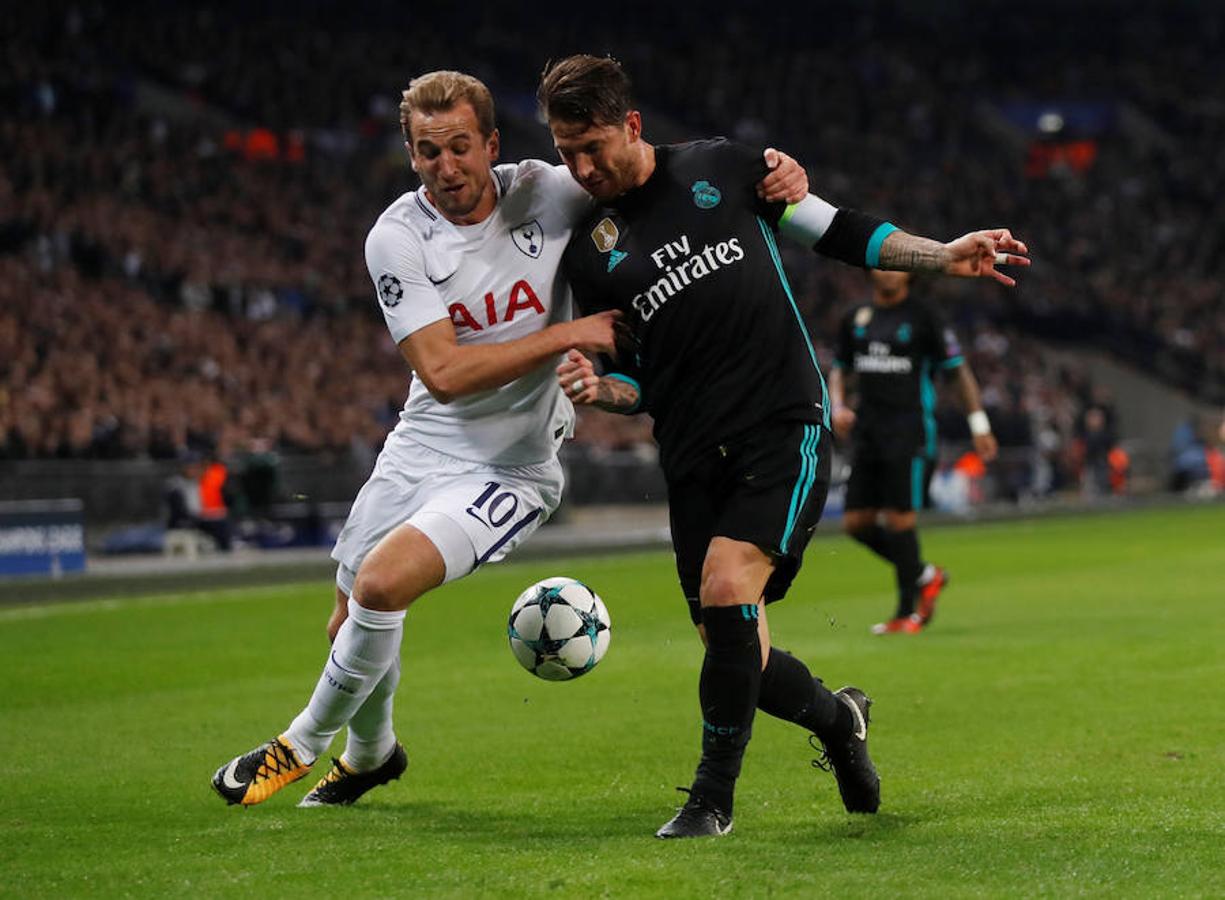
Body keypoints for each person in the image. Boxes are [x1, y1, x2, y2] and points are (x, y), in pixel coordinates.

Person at [211, 70, 807, 809]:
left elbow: (639, 157)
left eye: (460, 148)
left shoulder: (546, 191)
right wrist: (571, 332)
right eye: (427, 153)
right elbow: (444, 372)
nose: (445, 167)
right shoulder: (397, 237)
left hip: (512, 466)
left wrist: (767, 166)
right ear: (410, 154)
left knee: (380, 583)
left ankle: (298, 744)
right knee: (349, 621)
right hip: (421, 444)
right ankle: (371, 754)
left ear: (490, 145)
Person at [540, 54, 1028, 838]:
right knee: (736, 651)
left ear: (632, 124)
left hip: (782, 423)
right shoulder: (589, 254)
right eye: (566, 153)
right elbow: (636, 382)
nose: (582, 167)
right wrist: (603, 392)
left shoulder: (722, 168)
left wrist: (941, 254)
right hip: (691, 453)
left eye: (592, 145)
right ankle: (840, 722)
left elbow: (837, 232)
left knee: (730, 588)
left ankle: (710, 801)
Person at [828, 270, 998, 635]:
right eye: (882, 263)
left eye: (895, 264)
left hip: (910, 434)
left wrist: (979, 425)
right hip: (867, 434)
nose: (888, 271)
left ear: (907, 273)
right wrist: (837, 406)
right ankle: (925, 574)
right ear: (871, 268)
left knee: (899, 520)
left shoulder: (925, 317)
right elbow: (839, 369)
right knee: (856, 524)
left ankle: (906, 612)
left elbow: (957, 371)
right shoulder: (856, 317)